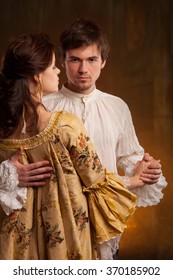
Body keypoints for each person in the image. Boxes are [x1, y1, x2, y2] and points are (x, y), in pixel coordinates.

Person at [0, 32, 137, 260]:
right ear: (36, 76)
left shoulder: (4, 125)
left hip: (16, 244)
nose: (58, 72)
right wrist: (136, 180)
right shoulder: (65, 126)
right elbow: (96, 181)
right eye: (54, 66)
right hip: (65, 239)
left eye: (91, 60)